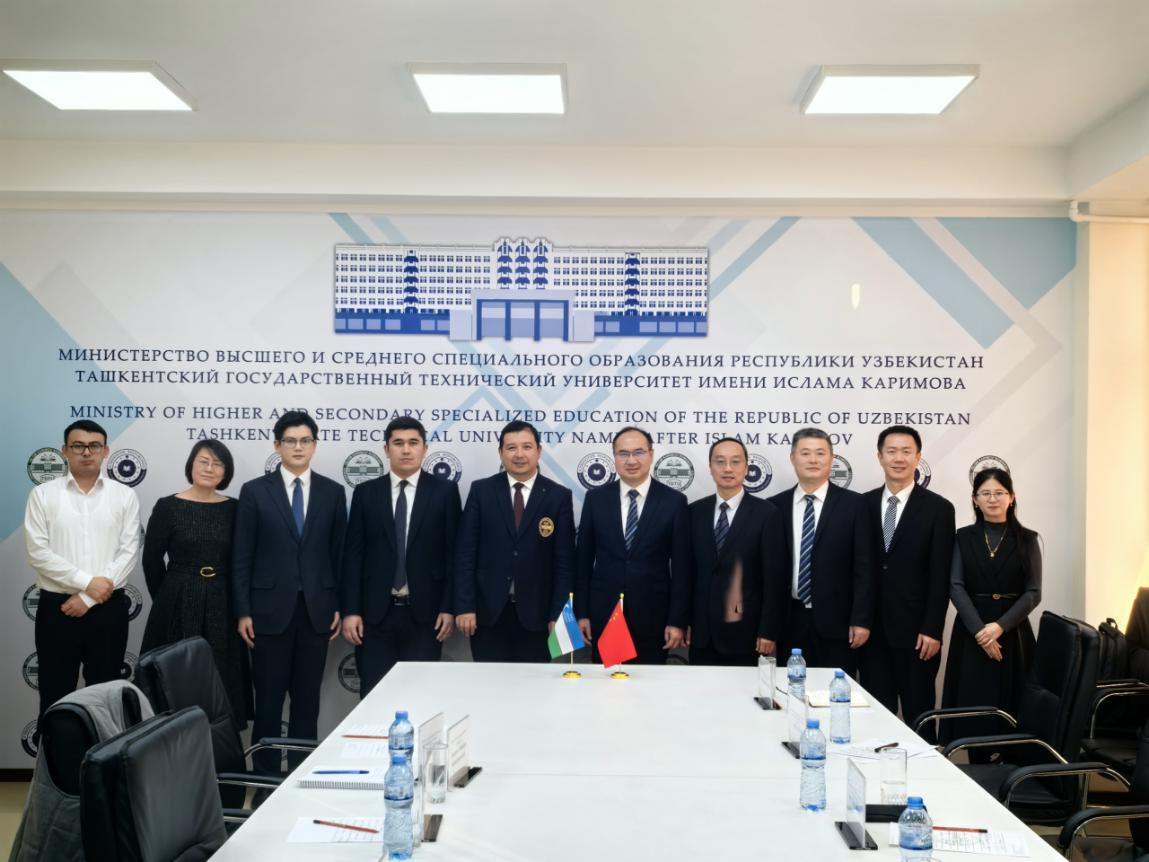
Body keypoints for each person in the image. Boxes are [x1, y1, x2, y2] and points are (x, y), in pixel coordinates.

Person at [231, 411, 345, 773]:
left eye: (305, 441)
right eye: (290, 441)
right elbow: (242, 556)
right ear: (277, 445)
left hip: (316, 612)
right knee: (267, 701)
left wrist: (338, 604)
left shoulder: (333, 492)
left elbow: (339, 555)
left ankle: (300, 776)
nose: (298, 447)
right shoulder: (254, 491)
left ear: (315, 445)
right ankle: (265, 780)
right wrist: (243, 610)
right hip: (266, 613)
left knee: (307, 702)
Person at [24, 420, 140, 721]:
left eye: (94, 446)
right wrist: (88, 583)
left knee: (106, 699)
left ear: (105, 451)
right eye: (78, 446)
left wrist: (88, 598)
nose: (86, 452)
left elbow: (128, 552)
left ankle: (103, 755)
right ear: (65, 451)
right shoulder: (43, 495)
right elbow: (38, 552)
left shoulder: (123, 495)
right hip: (58, 610)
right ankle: (55, 754)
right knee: (55, 695)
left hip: (108, 610)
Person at [341, 417, 461, 695]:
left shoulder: (445, 492)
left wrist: (449, 607)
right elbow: (353, 556)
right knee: (374, 694)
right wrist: (351, 610)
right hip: (374, 617)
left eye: (413, 443)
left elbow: (454, 555)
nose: (406, 450)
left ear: (424, 448)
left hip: (426, 617)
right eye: (398, 443)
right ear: (386, 449)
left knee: (420, 695)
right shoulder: (366, 493)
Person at [141, 439, 251, 725]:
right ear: (191, 464)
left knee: (220, 675)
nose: (209, 468)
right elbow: (151, 561)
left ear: (226, 472)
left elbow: (244, 560)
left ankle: (218, 744)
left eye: (217, 463)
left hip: (223, 601)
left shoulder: (235, 508)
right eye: (203, 461)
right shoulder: (168, 507)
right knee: (175, 677)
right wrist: (167, 600)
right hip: (177, 599)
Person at [455, 421, 576, 662]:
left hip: (539, 617)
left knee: (534, 683)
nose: (519, 454)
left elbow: (564, 563)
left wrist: (558, 614)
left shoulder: (558, 496)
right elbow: (465, 553)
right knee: (489, 683)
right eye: (511, 448)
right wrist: (465, 606)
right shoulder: (482, 491)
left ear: (538, 451)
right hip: (487, 615)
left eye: (527, 447)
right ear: (501, 453)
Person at [861, 426, 956, 726]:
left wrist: (932, 629)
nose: (898, 458)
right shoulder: (862, 505)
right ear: (880, 457)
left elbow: (940, 574)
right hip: (870, 634)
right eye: (891, 451)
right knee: (876, 719)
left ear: (918, 457)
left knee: (920, 718)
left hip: (917, 635)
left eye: (906, 451)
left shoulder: (939, 509)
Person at [575, 426, 691, 665]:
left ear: (651, 454)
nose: (631, 460)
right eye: (623, 453)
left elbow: (682, 568)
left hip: (654, 618)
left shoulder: (674, 502)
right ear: (614, 457)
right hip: (605, 615)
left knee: (649, 685)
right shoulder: (595, 499)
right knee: (605, 685)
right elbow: (583, 561)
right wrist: (582, 613)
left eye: (638, 452)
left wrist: (677, 620)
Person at [941, 468, 1040, 740]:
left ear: (1011, 497)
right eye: (985, 493)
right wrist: (980, 632)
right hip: (971, 630)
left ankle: (1010, 762)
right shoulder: (963, 537)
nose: (992, 499)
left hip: (1012, 631)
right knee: (973, 706)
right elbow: (955, 586)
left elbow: (1033, 592)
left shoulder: (1028, 539)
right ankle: (978, 760)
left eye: (999, 493)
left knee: (1013, 708)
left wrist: (998, 627)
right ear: (975, 500)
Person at [766, 428, 873, 675]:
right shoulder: (774, 507)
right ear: (793, 458)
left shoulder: (855, 505)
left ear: (832, 458)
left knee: (835, 691)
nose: (813, 460)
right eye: (805, 453)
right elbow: (769, 572)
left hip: (839, 623)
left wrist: (861, 619)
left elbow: (865, 568)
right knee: (791, 688)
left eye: (820, 453)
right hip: (789, 622)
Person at [687, 437, 782, 666]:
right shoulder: (694, 512)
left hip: (747, 632)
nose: (727, 468)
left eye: (735, 462)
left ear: (746, 468)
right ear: (710, 468)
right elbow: (686, 573)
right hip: (702, 633)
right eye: (720, 462)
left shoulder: (767, 513)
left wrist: (768, 630)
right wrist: (683, 620)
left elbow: (774, 579)